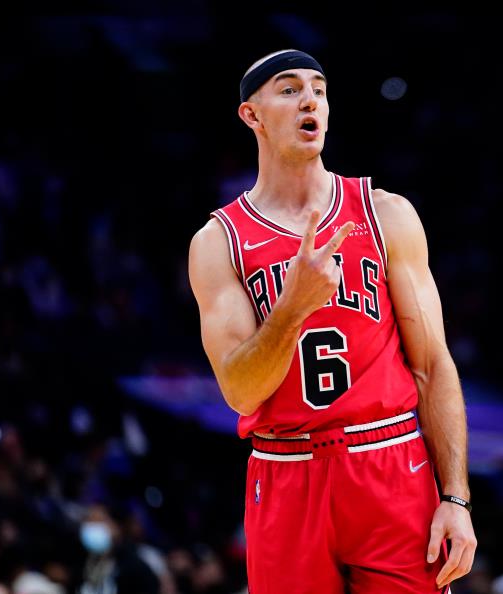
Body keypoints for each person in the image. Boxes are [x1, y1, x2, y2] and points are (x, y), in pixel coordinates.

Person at [188, 49, 477, 593]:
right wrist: (293, 306)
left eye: (318, 90)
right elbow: (241, 391)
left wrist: (456, 497)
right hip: (285, 469)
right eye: (289, 89)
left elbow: (433, 366)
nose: (310, 100)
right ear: (251, 115)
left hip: (388, 461)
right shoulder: (218, 242)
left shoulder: (385, 213)